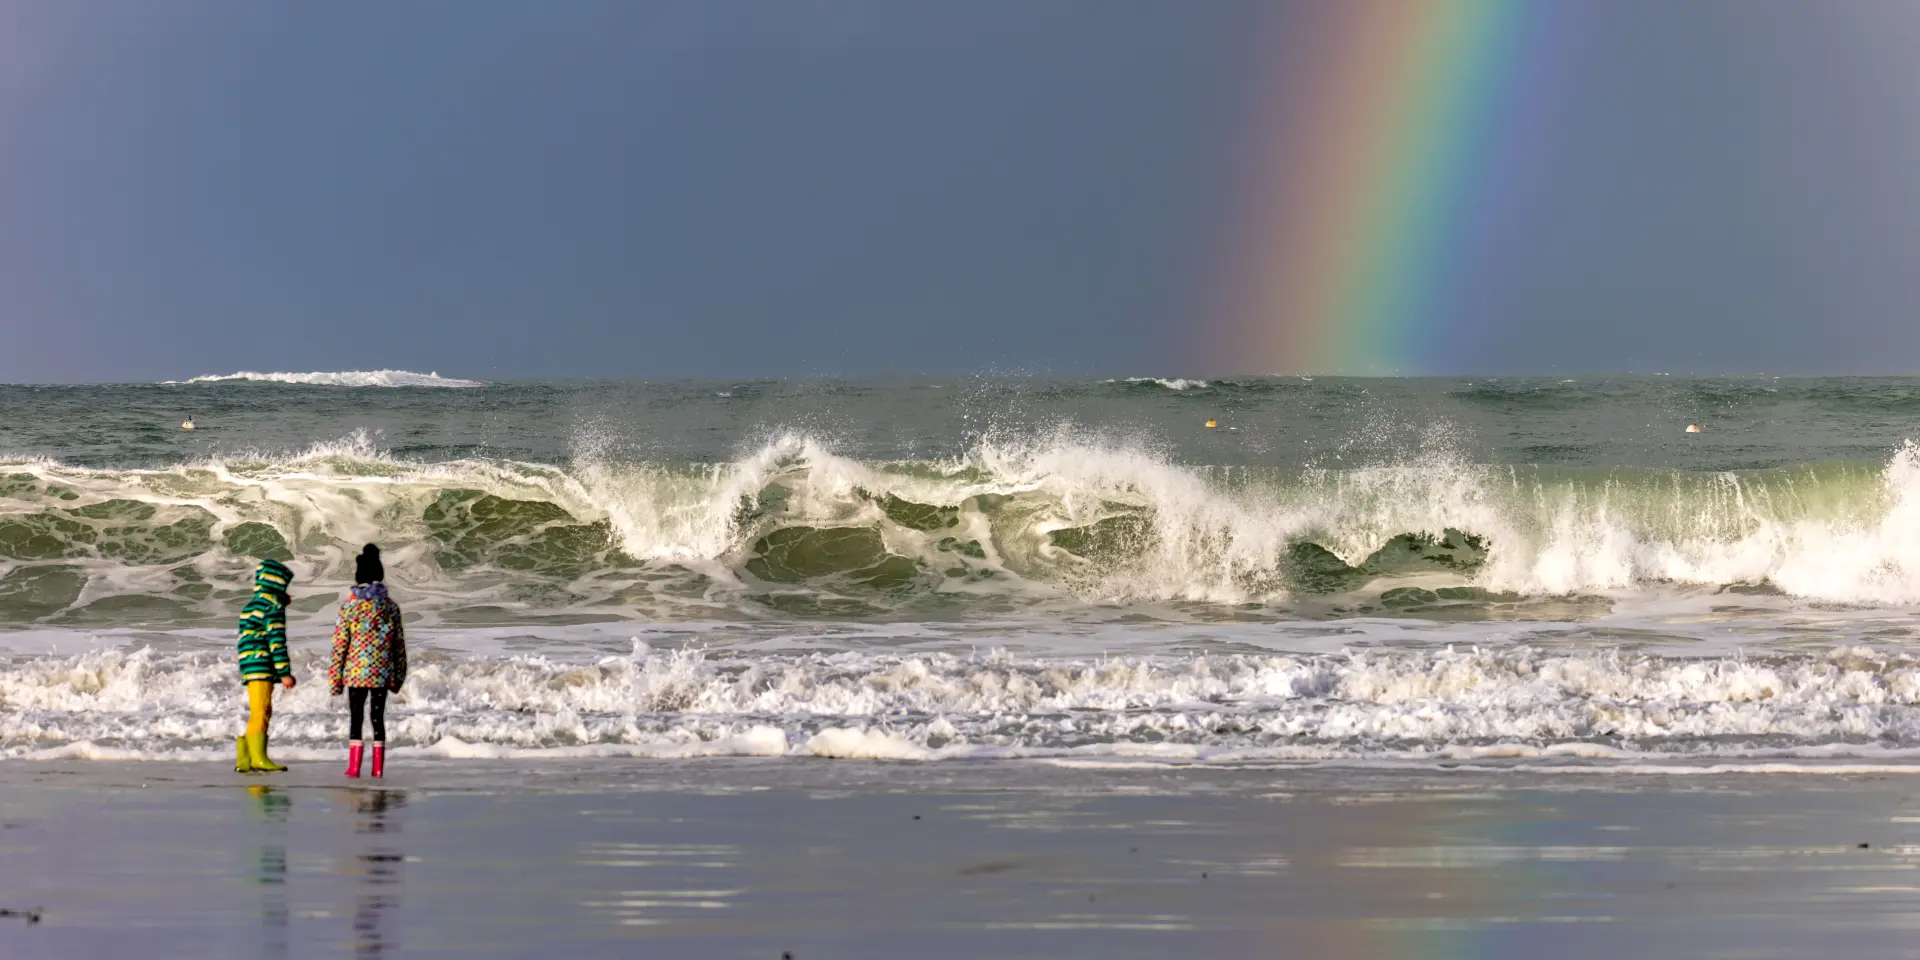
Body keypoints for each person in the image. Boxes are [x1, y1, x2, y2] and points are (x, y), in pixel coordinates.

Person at [330, 544, 407, 778]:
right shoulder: (391, 607)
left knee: (356, 718)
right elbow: (398, 646)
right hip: (382, 673)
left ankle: (354, 768)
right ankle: (378, 769)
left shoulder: (349, 608)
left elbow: (340, 646)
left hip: (355, 673)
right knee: (377, 718)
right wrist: (398, 677)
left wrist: (335, 680)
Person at [236, 557, 296, 773]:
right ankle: (258, 758)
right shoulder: (272, 608)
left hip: (249, 665)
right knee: (262, 711)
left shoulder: (251, 606)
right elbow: (276, 642)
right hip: (262, 665)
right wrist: (284, 672)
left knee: (257, 710)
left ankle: (244, 758)